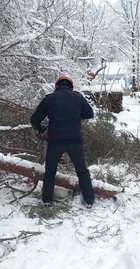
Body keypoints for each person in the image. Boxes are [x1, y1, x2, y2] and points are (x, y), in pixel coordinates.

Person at [30, 74, 95, 208]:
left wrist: (41, 129)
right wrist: (76, 115)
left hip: (55, 141)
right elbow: (90, 113)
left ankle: (47, 201)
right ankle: (89, 200)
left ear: (57, 86)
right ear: (71, 86)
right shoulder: (78, 97)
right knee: (82, 171)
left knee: (50, 171)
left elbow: (34, 119)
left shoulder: (49, 99)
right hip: (75, 140)